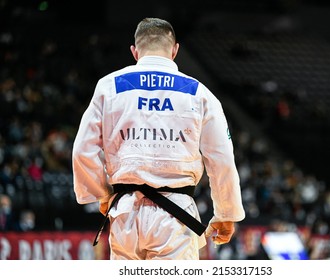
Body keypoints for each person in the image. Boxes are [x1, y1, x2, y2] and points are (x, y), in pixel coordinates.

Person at [72, 17, 245, 260]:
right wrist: (226, 213)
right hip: (175, 218)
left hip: (125, 214)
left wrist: (101, 194)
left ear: (135, 52)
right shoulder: (199, 93)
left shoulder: (109, 87)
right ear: (175, 51)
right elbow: (221, 158)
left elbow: (83, 150)